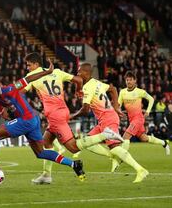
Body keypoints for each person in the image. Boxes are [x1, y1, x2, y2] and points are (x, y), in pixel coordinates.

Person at [0, 60, 85, 182]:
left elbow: (29, 79)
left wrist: (47, 72)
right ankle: (74, 164)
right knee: (40, 153)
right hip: (32, 120)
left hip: (26, 120)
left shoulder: (9, 89)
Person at [23, 53, 123, 184]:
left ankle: (105, 134)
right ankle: (46, 175)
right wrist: (79, 90)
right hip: (63, 110)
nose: (27, 68)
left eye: (29, 65)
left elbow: (19, 92)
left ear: (36, 64)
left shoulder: (31, 77)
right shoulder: (57, 72)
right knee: (47, 142)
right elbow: (79, 80)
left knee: (73, 148)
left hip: (54, 115)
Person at [71, 63, 149, 183]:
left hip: (108, 118)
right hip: (104, 119)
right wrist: (116, 106)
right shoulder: (96, 83)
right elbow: (112, 89)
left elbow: (85, 110)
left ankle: (140, 170)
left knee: (113, 146)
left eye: (79, 71)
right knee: (89, 142)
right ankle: (112, 156)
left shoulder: (88, 87)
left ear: (86, 73)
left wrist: (71, 116)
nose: (77, 74)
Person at [118, 71, 170, 157]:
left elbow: (151, 99)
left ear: (135, 81)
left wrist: (147, 111)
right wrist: (119, 111)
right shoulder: (122, 92)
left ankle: (120, 159)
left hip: (138, 118)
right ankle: (164, 143)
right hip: (131, 119)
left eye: (130, 80)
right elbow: (118, 104)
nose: (128, 82)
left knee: (125, 137)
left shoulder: (140, 91)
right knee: (144, 138)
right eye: (127, 80)